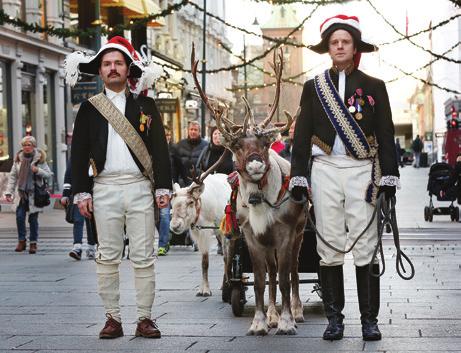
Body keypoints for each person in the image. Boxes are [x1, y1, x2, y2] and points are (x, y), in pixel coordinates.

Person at [289, 15, 400, 342]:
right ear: (329, 48)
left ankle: (369, 321)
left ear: (354, 48)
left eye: (345, 42)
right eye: (334, 42)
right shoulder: (313, 87)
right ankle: (334, 320)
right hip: (324, 170)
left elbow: (386, 134)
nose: (339, 46)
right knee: (329, 245)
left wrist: (389, 177)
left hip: (361, 170)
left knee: (366, 246)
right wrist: (298, 175)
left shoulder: (374, 86)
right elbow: (302, 137)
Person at [65, 36, 171, 339]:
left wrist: (162, 186)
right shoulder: (89, 108)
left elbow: (159, 149)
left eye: (118, 63)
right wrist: (81, 192)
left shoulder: (146, 105)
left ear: (128, 69)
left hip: (139, 187)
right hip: (104, 188)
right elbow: (79, 152)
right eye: (107, 64)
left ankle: (144, 318)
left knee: (143, 256)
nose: (112, 68)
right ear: (100, 71)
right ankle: (112, 318)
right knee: (107, 255)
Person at [3, 136, 52, 254]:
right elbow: (13, 177)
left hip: (34, 195)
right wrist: (8, 192)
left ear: (33, 146)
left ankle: (33, 243)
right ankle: (21, 241)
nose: (26, 147)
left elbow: (49, 175)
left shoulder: (40, 159)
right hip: (21, 194)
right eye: (24, 145)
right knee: (19, 217)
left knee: (33, 219)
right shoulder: (18, 159)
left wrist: (38, 171)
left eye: (29, 145)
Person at [196, 126, 234, 255]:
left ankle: (226, 236)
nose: (217, 137)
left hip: (227, 186)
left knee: (225, 212)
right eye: (215, 134)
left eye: (220, 134)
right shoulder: (206, 151)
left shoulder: (230, 151)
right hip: (211, 187)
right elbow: (200, 167)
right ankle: (218, 240)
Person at [61, 161, 96, 260]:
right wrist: (65, 195)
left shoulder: (94, 153)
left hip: (93, 193)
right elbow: (68, 176)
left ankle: (91, 248)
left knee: (90, 222)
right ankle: (77, 248)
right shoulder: (75, 156)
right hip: (77, 193)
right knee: (78, 220)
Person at [172, 120, 208, 187]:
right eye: (191, 129)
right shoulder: (180, 145)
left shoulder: (206, 146)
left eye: (195, 130)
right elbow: (175, 166)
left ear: (199, 132)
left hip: (198, 182)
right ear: (188, 131)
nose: (193, 132)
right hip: (182, 182)